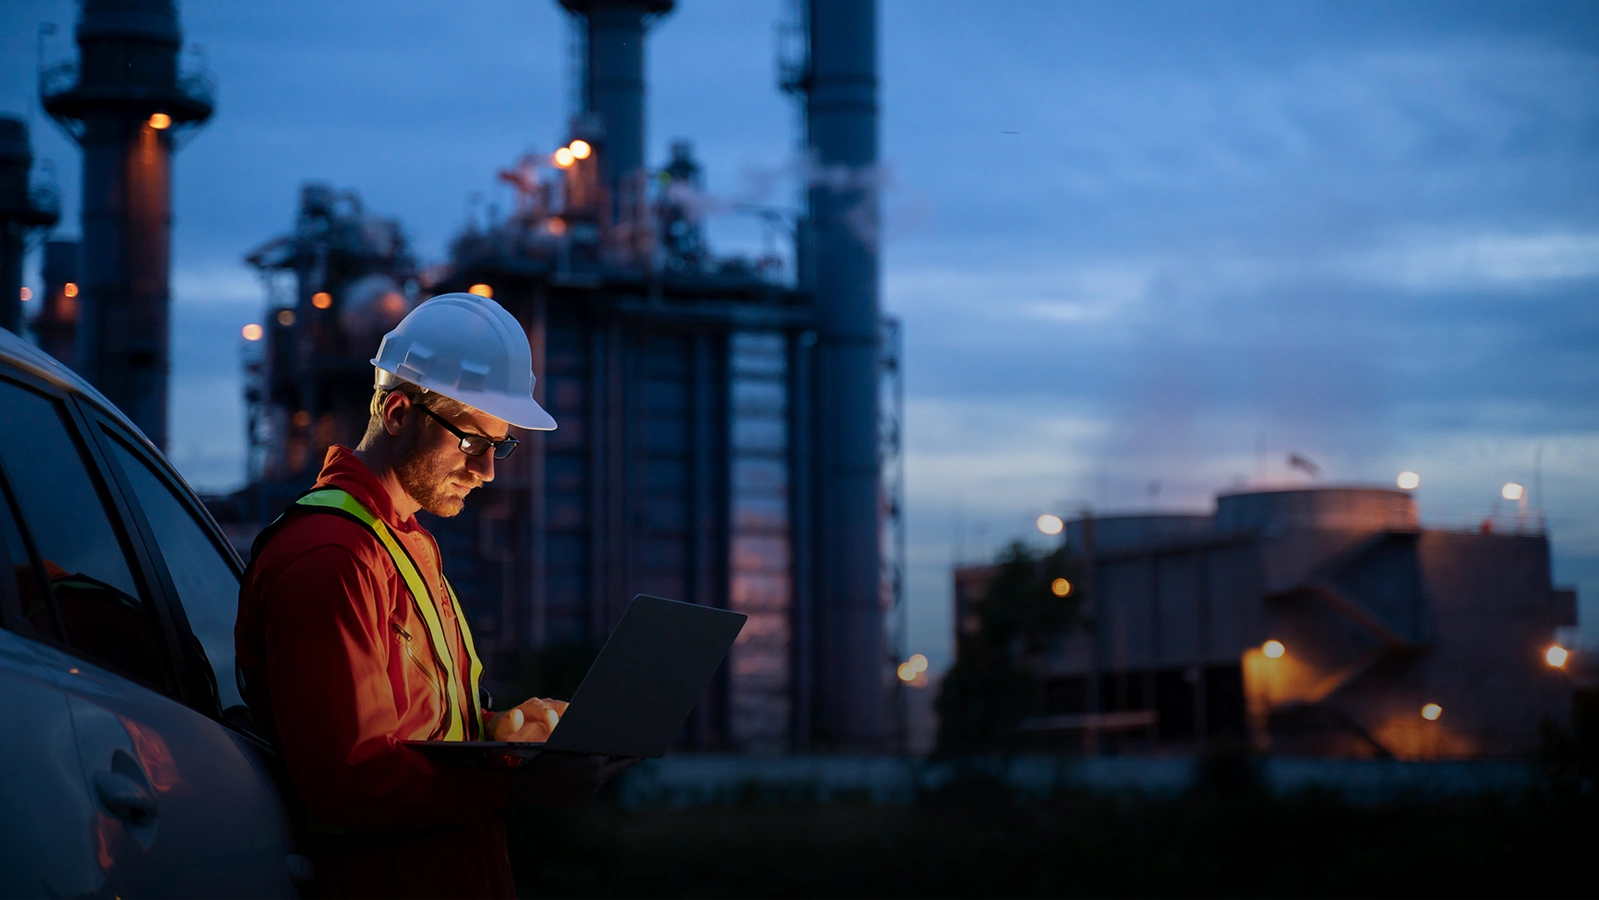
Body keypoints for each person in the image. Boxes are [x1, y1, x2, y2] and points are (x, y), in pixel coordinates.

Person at [236, 292, 634, 900]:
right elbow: (347, 782)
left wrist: (501, 737)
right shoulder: (330, 559)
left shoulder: (406, 543)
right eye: (473, 442)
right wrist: (517, 786)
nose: (487, 471)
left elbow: (422, 733)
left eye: (500, 446)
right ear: (397, 413)